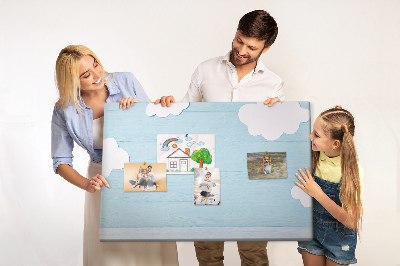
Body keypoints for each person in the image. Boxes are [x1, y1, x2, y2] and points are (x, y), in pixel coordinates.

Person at [157, 9, 283, 266]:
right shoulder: (205, 70)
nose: (241, 50)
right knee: (208, 250)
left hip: (251, 173)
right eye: (239, 40)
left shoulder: (274, 84)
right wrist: (167, 106)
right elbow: (184, 117)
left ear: (265, 49)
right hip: (207, 169)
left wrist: (279, 119)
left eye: (251, 47)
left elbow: (275, 140)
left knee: (254, 253)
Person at [51, 45, 178, 266]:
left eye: (96, 65)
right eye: (86, 75)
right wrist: (87, 184)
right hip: (103, 180)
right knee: (112, 252)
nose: (97, 75)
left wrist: (148, 109)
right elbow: (61, 162)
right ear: (71, 81)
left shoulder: (126, 81)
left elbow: (155, 131)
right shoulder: (65, 109)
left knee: (150, 243)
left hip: (144, 169)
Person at [295, 105, 363, 266]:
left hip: (339, 239)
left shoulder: (353, 171)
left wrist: (318, 194)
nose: (310, 136)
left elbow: (351, 221)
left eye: (316, 135)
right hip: (311, 232)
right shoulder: (312, 155)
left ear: (335, 144)